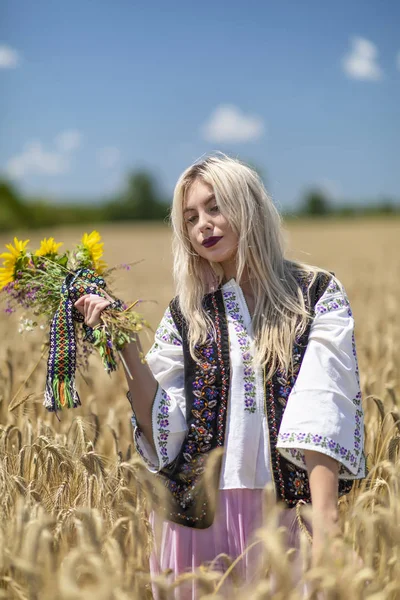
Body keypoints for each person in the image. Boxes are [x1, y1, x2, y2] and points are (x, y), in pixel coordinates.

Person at [74, 155, 365, 598]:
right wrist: (125, 343)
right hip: (198, 521)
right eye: (190, 218)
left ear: (249, 207)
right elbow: (164, 429)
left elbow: (322, 404)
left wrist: (327, 528)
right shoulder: (186, 314)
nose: (203, 226)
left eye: (215, 208)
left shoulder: (317, 293)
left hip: (286, 513)